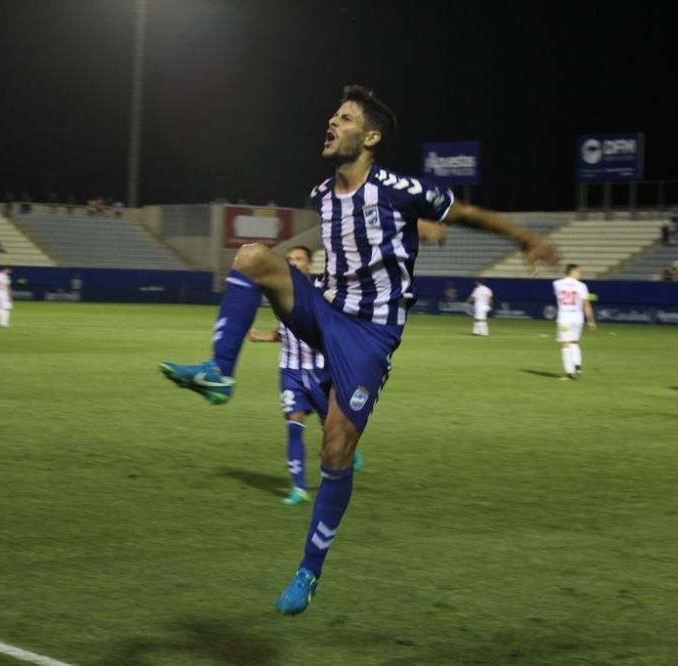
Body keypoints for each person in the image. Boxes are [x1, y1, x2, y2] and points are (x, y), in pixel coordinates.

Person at [158, 84, 558, 615]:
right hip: (324, 309)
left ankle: (309, 571)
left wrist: (524, 238)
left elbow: (467, 212)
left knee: (335, 451)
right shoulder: (323, 195)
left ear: (370, 137)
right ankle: (219, 372)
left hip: (369, 336)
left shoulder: (396, 186)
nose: (331, 121)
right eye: (333, 115)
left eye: (344, 118)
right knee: (253, 256)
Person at [247, 245, 362, 506]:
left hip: (322, 371)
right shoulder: (279, 295)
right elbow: (284, 331)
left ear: (309, 265)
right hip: (290, 371)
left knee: (331, 429)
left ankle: (347, 451)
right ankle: (298, 488)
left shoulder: (323, 294)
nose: (294, 263)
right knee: (294, 425)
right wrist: (263, 336)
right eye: (289, 260)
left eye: (299, 259)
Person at [553, 264, 596, 380]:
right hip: (577, 318)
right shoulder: (582, 286)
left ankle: (569, 372)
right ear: (572, 272)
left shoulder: (557, 284)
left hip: (564, 318)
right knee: (574, 342)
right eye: (578, 272)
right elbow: (586, 305)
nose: (580, 274)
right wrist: (591, 321)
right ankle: (577, 367)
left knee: (565, 343)